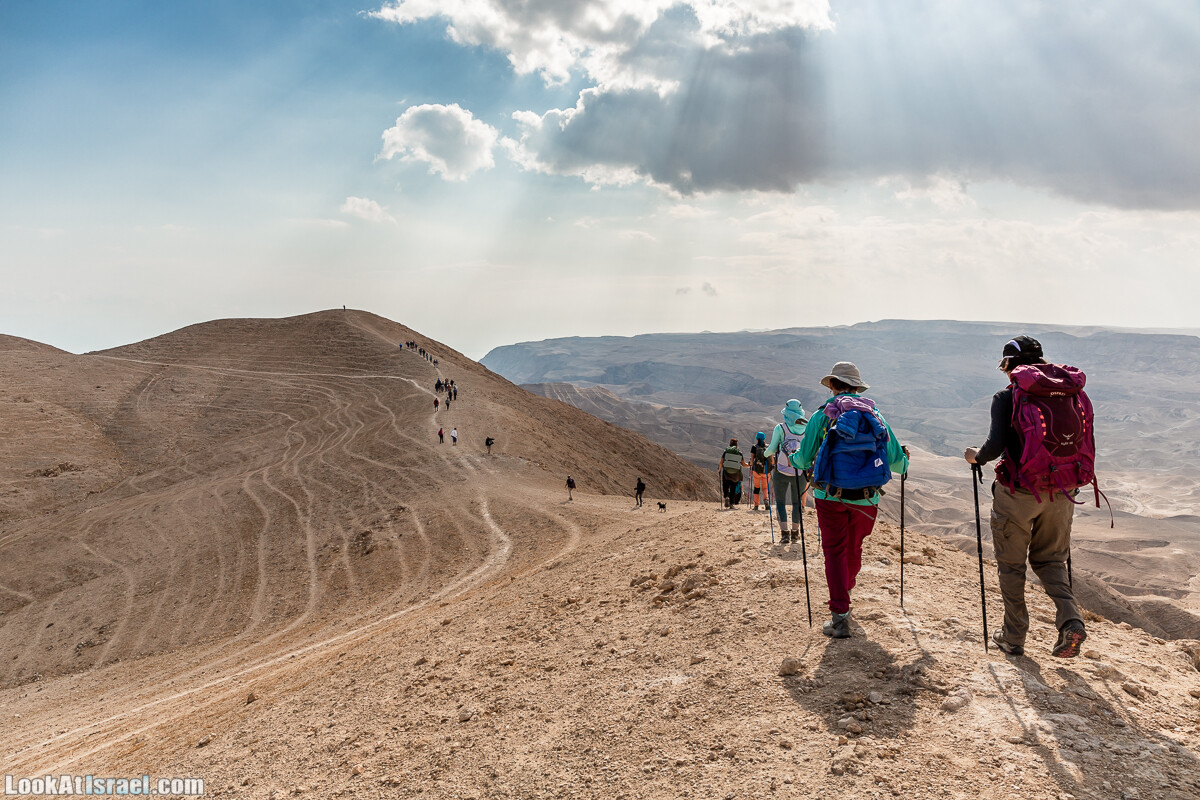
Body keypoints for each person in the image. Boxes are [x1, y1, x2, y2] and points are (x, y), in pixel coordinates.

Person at [964, 336, 1090, 658]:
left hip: (1019, 493)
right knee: (1050, 560)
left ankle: (1013, 636)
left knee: (1011, 566)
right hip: (1062, 491)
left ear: (1009, 365)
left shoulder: (1007, 397)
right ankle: (1070, 622)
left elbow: (993, 447)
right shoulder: (1068, 392)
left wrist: (975, 457)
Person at [792, 363, 908, 639]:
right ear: (857, 387)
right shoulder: (874, 415)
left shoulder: (822, 416)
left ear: (831, 385)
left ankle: (840, 615)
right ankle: (847, 586)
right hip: (867, 499)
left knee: (834, 551)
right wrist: (905, 460)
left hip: (828, 496)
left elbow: (804, 458)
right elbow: (896, 463)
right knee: (854, 547)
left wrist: (793, 458)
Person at [764, 400, 808, 543]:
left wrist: (765, 454)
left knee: (781, 502)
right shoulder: (807, 428)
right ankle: (795, 533)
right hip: (800, 471)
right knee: (797, 502)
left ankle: (784, 534)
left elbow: (771, 449)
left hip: (781, 470)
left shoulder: (780, 428)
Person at [718, 438, 747, 509]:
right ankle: (731, 503)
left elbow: (721, 462)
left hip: (726, 472)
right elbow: (743, 464)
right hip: (736, 474)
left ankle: (726, 497)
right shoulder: (740, 453)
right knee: (733, 487)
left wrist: (719, 470)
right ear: (736, 445)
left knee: (725, 485)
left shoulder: (726, 452)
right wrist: (750, 465)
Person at [748, 432, 771, 511]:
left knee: (756, 488)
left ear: (757, 438)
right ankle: (766, 501)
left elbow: (751, 461)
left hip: (756, 471)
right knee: (765, 488)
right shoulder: (768, 447)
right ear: (764, 438)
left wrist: (750, 464)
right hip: (766, 471)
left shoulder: (754, 447)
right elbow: (772, 461)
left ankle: (756, 505)